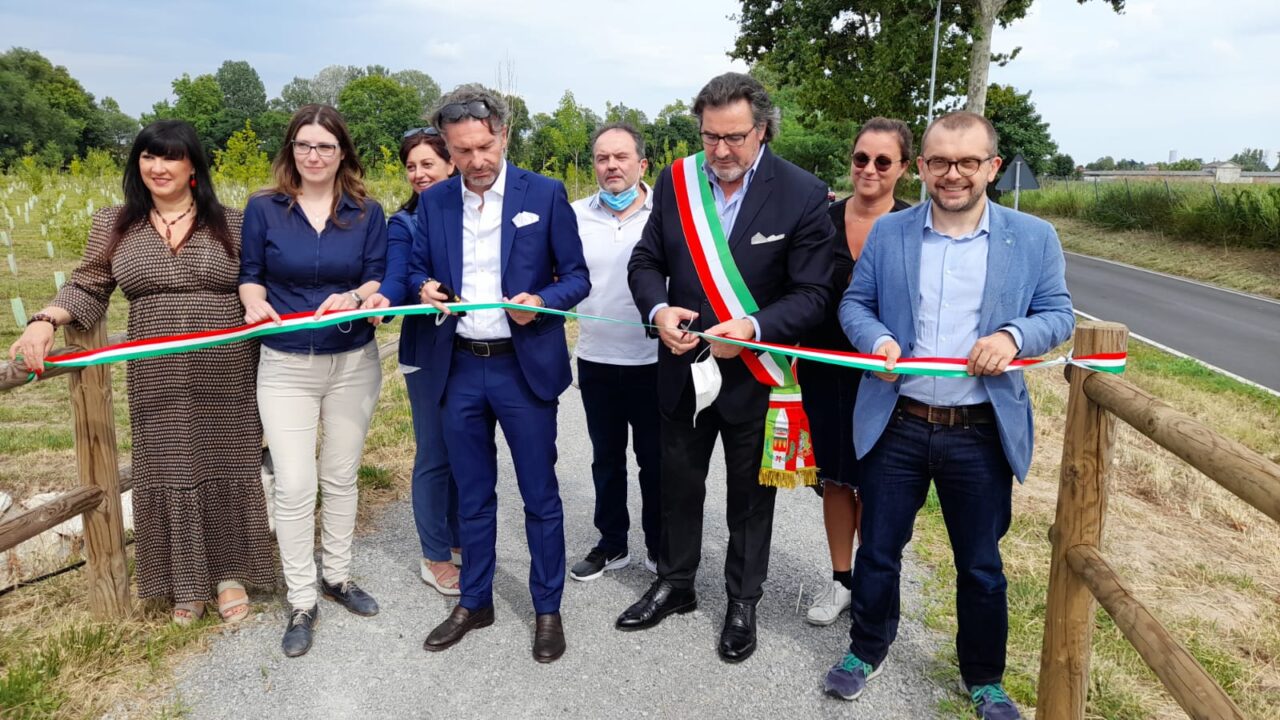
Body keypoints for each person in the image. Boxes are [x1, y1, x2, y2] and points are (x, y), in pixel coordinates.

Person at [826, 111, 1074, 720]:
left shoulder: (1033, 237)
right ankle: (866, 647)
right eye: (939, 161)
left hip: (980, 432)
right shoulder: (892, 233)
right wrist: (876, 339)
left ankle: (984, 678)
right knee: (879, 551)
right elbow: (856, 304)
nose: (952, 174)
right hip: (899, 421)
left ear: (992, 166)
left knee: (981, 566)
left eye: (967, 162)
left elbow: (1060, 315)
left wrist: (1015, 335)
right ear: (924, 167)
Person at [8, 120, 275, 625]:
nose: (158, 167)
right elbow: (88, 285)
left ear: (192, 164)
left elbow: (264, 282)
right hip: (157, 369)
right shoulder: (115, 223)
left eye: (170, 157)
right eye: (148, 157)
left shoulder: (235, 223)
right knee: (170, 465)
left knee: (227, 461)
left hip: (227, 366)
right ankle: (185, 582)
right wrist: (44, 321)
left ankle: (229, 575)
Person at [621, 72, 833, 663]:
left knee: (749, 499)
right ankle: (676, 583)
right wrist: (659, 309)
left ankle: (743, 602)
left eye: (734, 137)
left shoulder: (802, 193)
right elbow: (645, 260)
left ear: (762, 130)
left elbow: (813, 294)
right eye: (710, 136)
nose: (719, 151)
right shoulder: (677, 180)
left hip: (756, 375)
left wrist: (755, 328)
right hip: (683, 367)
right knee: (677, 485)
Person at [407, 85, 590, 664]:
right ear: (448, 148)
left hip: (522, 368)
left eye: (484, 147)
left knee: (540, 494)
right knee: (474, 496)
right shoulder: (435, 202)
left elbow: (577, 277)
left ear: (504, 135)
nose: (476, 161)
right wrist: (424, 287)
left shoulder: (546, 193)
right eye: (461, 152)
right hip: (458, 366)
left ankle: (547, 607)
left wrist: (542, 298)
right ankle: (476, 600)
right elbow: (417, 266)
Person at [239, 104, 388, 658]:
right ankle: (302, 597)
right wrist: (254, 304)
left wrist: (354, 296)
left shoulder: (367, 211)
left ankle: (339, 576)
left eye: (325, 146)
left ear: (342, 151)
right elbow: (249, 276)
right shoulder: (264, 209)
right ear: (290, 151)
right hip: (285, 366)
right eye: (304, 145)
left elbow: (376, 272)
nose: (314, 155)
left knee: (341, 475)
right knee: (297, 484)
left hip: (352, 362)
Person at [801, 118, 913, 627]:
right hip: (824, 370)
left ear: (903, 169)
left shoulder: (915, 227)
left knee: (878, 482)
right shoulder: (817, 219)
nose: (869, 169)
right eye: (861, 158)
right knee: (837, 479)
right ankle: (841, 579)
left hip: (886, 377)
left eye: (882, 161)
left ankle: (874, 580)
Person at [365, 127, 462, 596]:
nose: (419, 174)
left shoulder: (474, 214)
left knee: (470, 450)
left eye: (428, 164)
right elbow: (398, 276)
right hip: (427, 355)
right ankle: (435, 554)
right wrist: (404, 292)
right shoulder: (404, 223)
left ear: (452, 164)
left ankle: (463, 539)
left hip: (475, 352)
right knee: (434, 453)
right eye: (412, 166)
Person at [567, 123, 661, 582]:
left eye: (621, 157)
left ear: (642, 164)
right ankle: (612, 543)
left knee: (655, 460)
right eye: (603, 158)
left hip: (654, 361)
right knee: (606, 457)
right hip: (597, 358)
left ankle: (661, 547)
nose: (612, 166)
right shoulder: (572, 214)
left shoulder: (667, 214)